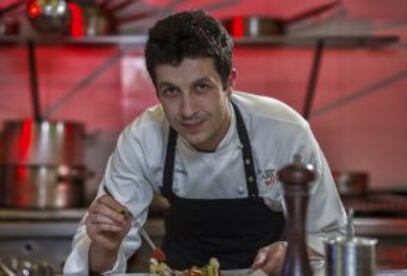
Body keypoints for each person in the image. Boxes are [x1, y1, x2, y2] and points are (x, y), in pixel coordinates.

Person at [64, 9, 347, 275]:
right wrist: (107, 244)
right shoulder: (142, 138)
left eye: (201, 87)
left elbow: (332, 238)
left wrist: (291, 252)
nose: (187, 110)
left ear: (229, 83)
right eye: (171, 91)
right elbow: (94, 261)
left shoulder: (284, 132)